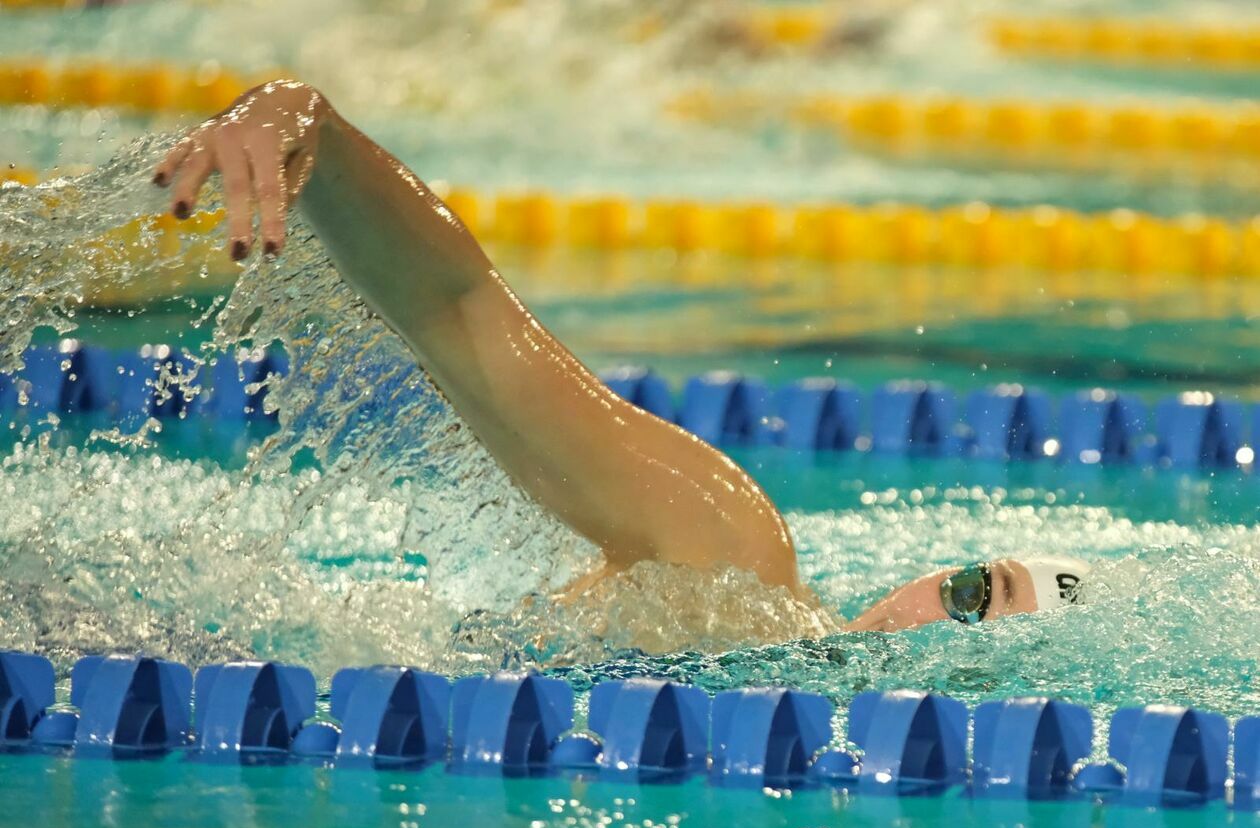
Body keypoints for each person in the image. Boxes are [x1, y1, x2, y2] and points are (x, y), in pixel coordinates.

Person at [153, 80, 1089, 637]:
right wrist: (304, 119)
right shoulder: (734, 563)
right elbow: (464, 312)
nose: (936, 601)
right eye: (970, 583)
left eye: (973, 604)